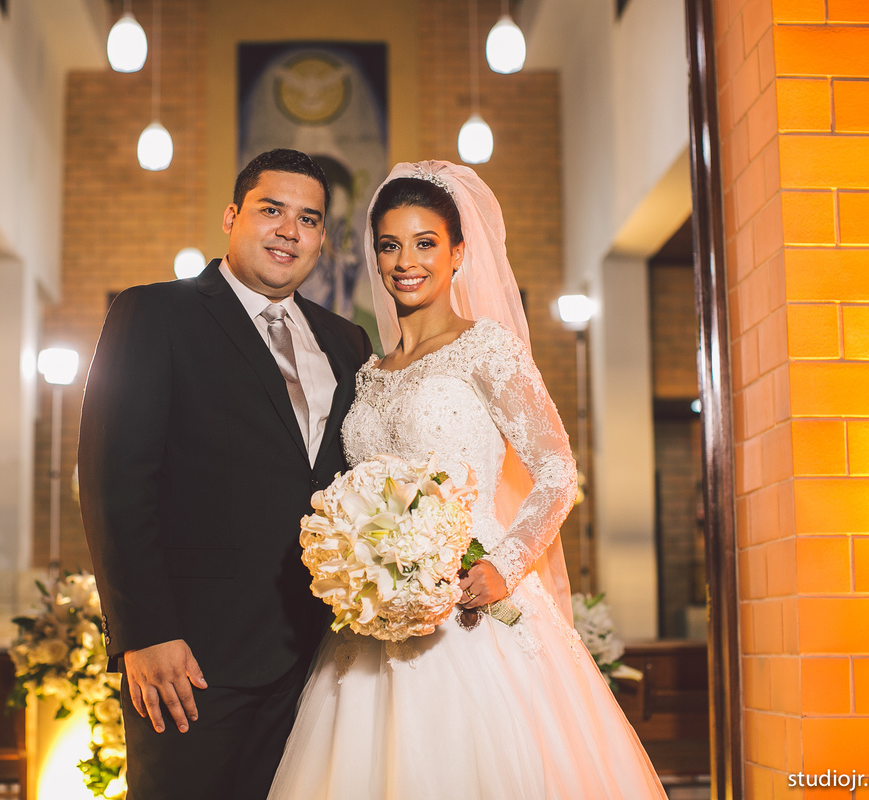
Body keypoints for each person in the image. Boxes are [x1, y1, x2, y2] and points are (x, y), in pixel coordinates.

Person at [268, 161, 669, 799]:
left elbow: (556, 468)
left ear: (458, 253)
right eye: (390, 245)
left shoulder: (488, 349)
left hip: (471, 599)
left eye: (425, 243)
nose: (406, 261)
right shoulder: (368, 373)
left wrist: (505, 565)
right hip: (372, 619)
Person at [78, 149, 374, 800]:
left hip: (319, 655)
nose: (289, 231)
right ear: (231, 216)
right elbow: (114, 483)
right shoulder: (153, 314)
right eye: (272, 210)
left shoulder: (345, 341)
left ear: (323, 236)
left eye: (309, 219)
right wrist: (146, 633)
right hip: (192, 655)